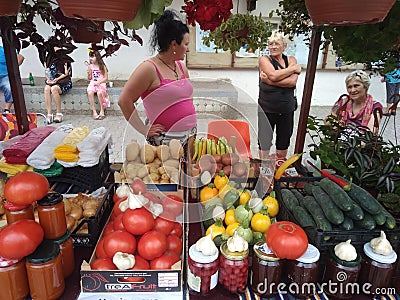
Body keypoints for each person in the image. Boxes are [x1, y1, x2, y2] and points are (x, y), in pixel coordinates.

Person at [118, 10, 196, 146]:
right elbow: (124, 101)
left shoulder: (181, 66)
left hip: (190, 134)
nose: (188, 49)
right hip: (166, 139)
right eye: (186, 44)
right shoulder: (149, 68)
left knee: (187, 168)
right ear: (173, 44)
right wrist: (143, 129)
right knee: (167, 168)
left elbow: (187, 98)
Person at [257, 31, 301, 160]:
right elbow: (273, 75)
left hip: (286, 108)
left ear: (284, 46)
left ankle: (279, 168)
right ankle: (264, 169)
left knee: (283, 140)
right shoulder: (264, 59)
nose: (273, 47)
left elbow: (292, 82)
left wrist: (269, 80)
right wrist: (293, 69)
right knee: (264, 141)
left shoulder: (291, 59)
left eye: (277, 43)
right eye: (271, 44)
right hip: (267, 108)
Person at [326, 70, 383, 134]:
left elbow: (371, 132)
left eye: (356, 86)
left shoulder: (375, 107)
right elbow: (328, 120)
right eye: (349, 87)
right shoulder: (342, 102)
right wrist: (333, 125)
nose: (352, 90)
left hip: (362, 141)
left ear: (365, 87)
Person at [44, 46, 73, 124]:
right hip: (53, 81)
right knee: (47, 88)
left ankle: (59, 113)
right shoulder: (49, 60)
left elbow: (67, 74)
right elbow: (47, 72)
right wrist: (48, 80)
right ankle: (49, 114)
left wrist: (57, 80)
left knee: (54, 89)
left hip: (63, 82)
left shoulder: (66, 60)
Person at [0, 45, 24, 114]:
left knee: (9, 87)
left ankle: (7, 109)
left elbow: (20, 57)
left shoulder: (4, 50)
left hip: (5, 76)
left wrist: (14, 69)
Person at [86, 49, 109, 120]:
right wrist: (89, 73)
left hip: (101, 83)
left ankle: (102, 110)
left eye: (92, 57)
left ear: (97, 57)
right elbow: (89, 78)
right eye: (90, 57)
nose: (91, 58)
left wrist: (99, 82)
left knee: (99, 93)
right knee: (90, 92)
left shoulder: (102, 66)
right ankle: (94, 111)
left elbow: (105, 78)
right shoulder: (90, 66)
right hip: (93, 83)